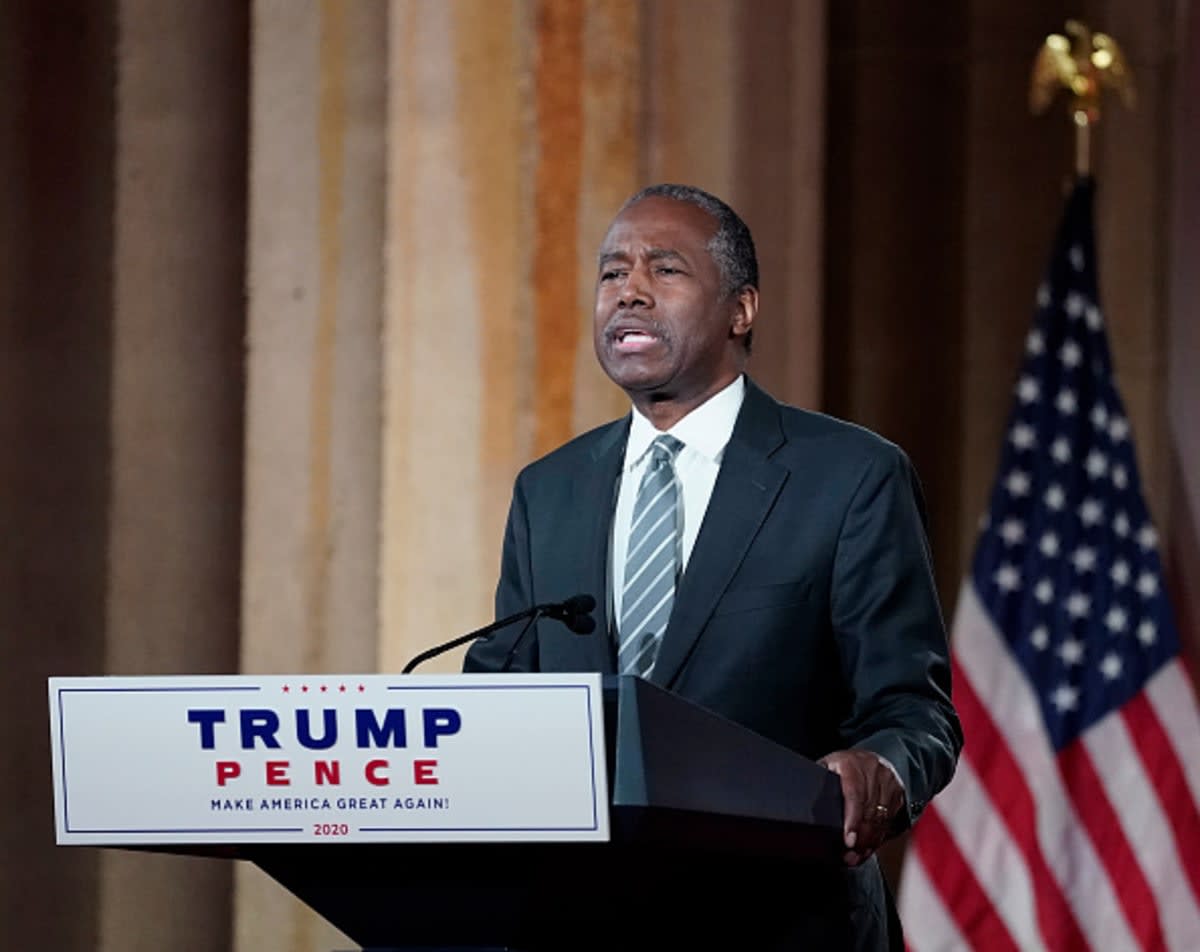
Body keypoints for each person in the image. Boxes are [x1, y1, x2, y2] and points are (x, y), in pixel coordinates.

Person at [464, 183, 962, 950]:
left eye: (664, 269)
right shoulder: (549, 490)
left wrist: (878, 771)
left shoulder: (849, 476)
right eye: (611, 272)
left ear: (742, 310)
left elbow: (913, 710)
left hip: (781, 920)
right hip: (580, 921)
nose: (628, 291)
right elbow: (501, 698)